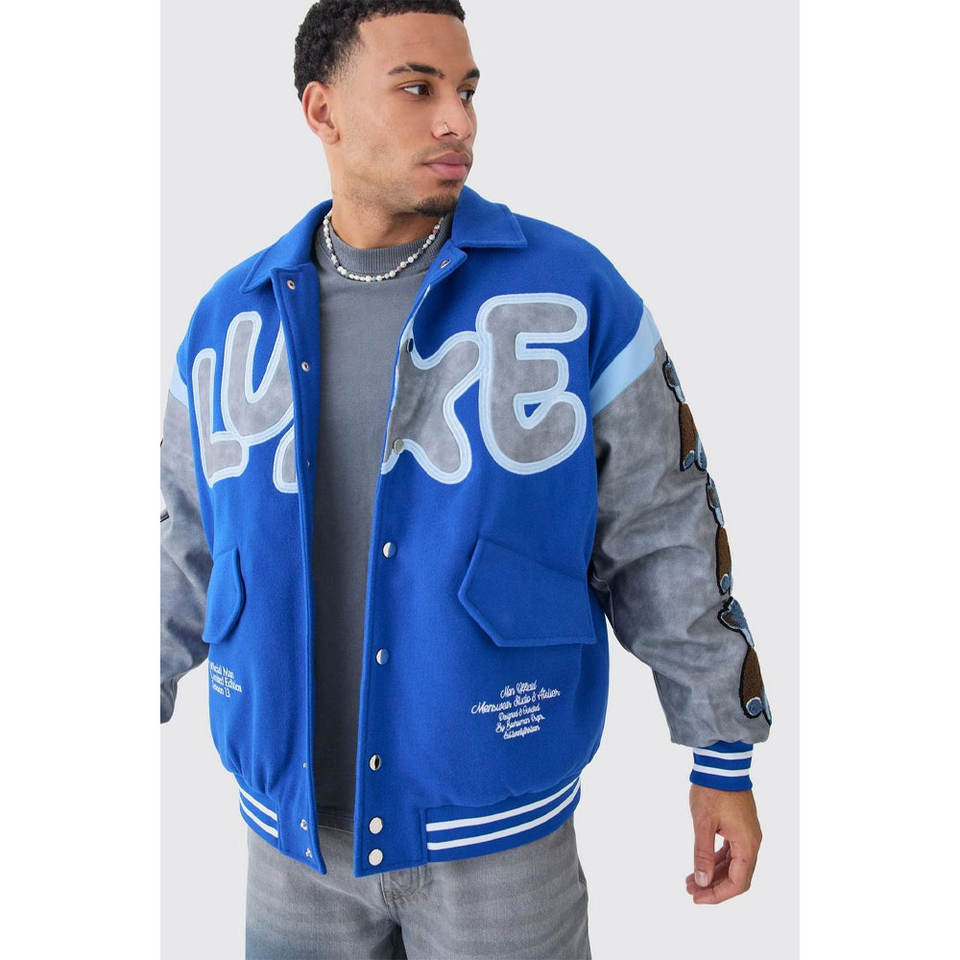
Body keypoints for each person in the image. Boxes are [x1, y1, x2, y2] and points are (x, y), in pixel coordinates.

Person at [160, 2, 772, 957]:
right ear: (322, 111)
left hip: (502, 841)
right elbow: (184, 543)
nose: (458, 121)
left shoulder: (573, 294)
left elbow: (664, 529)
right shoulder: (228, 320)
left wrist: (719, 753)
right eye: (417, 89)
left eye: (467, 90)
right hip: (288, 846)